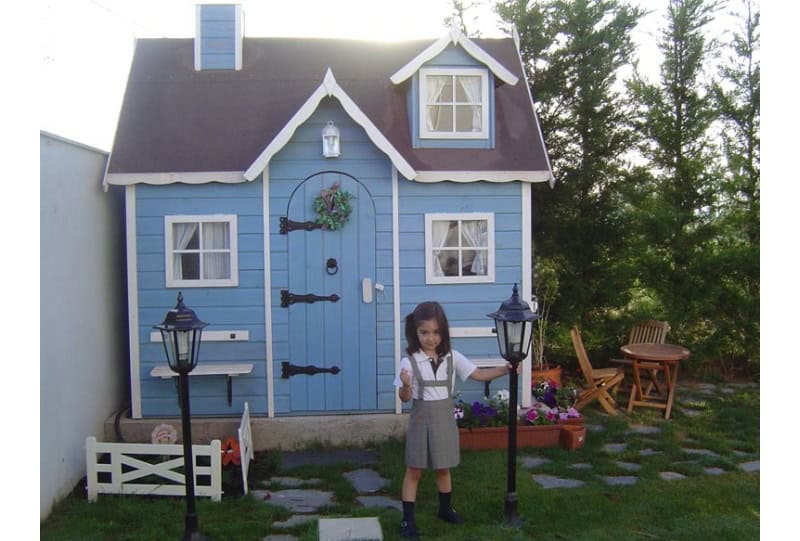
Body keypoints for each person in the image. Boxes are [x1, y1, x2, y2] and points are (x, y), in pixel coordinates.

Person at [394, 301, 512, 539]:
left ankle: (445, 509)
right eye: (424, 332)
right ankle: (408, 520)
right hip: (421, 419)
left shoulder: (452, 357)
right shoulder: (409, 361)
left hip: (444, 419)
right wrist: (406, 385)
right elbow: (405, 397)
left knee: (443, 466)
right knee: (414, 469)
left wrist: (505, 369)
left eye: (436, 332)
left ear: (444, 332)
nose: (430, 338)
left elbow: (478, 374)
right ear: (415, 332)